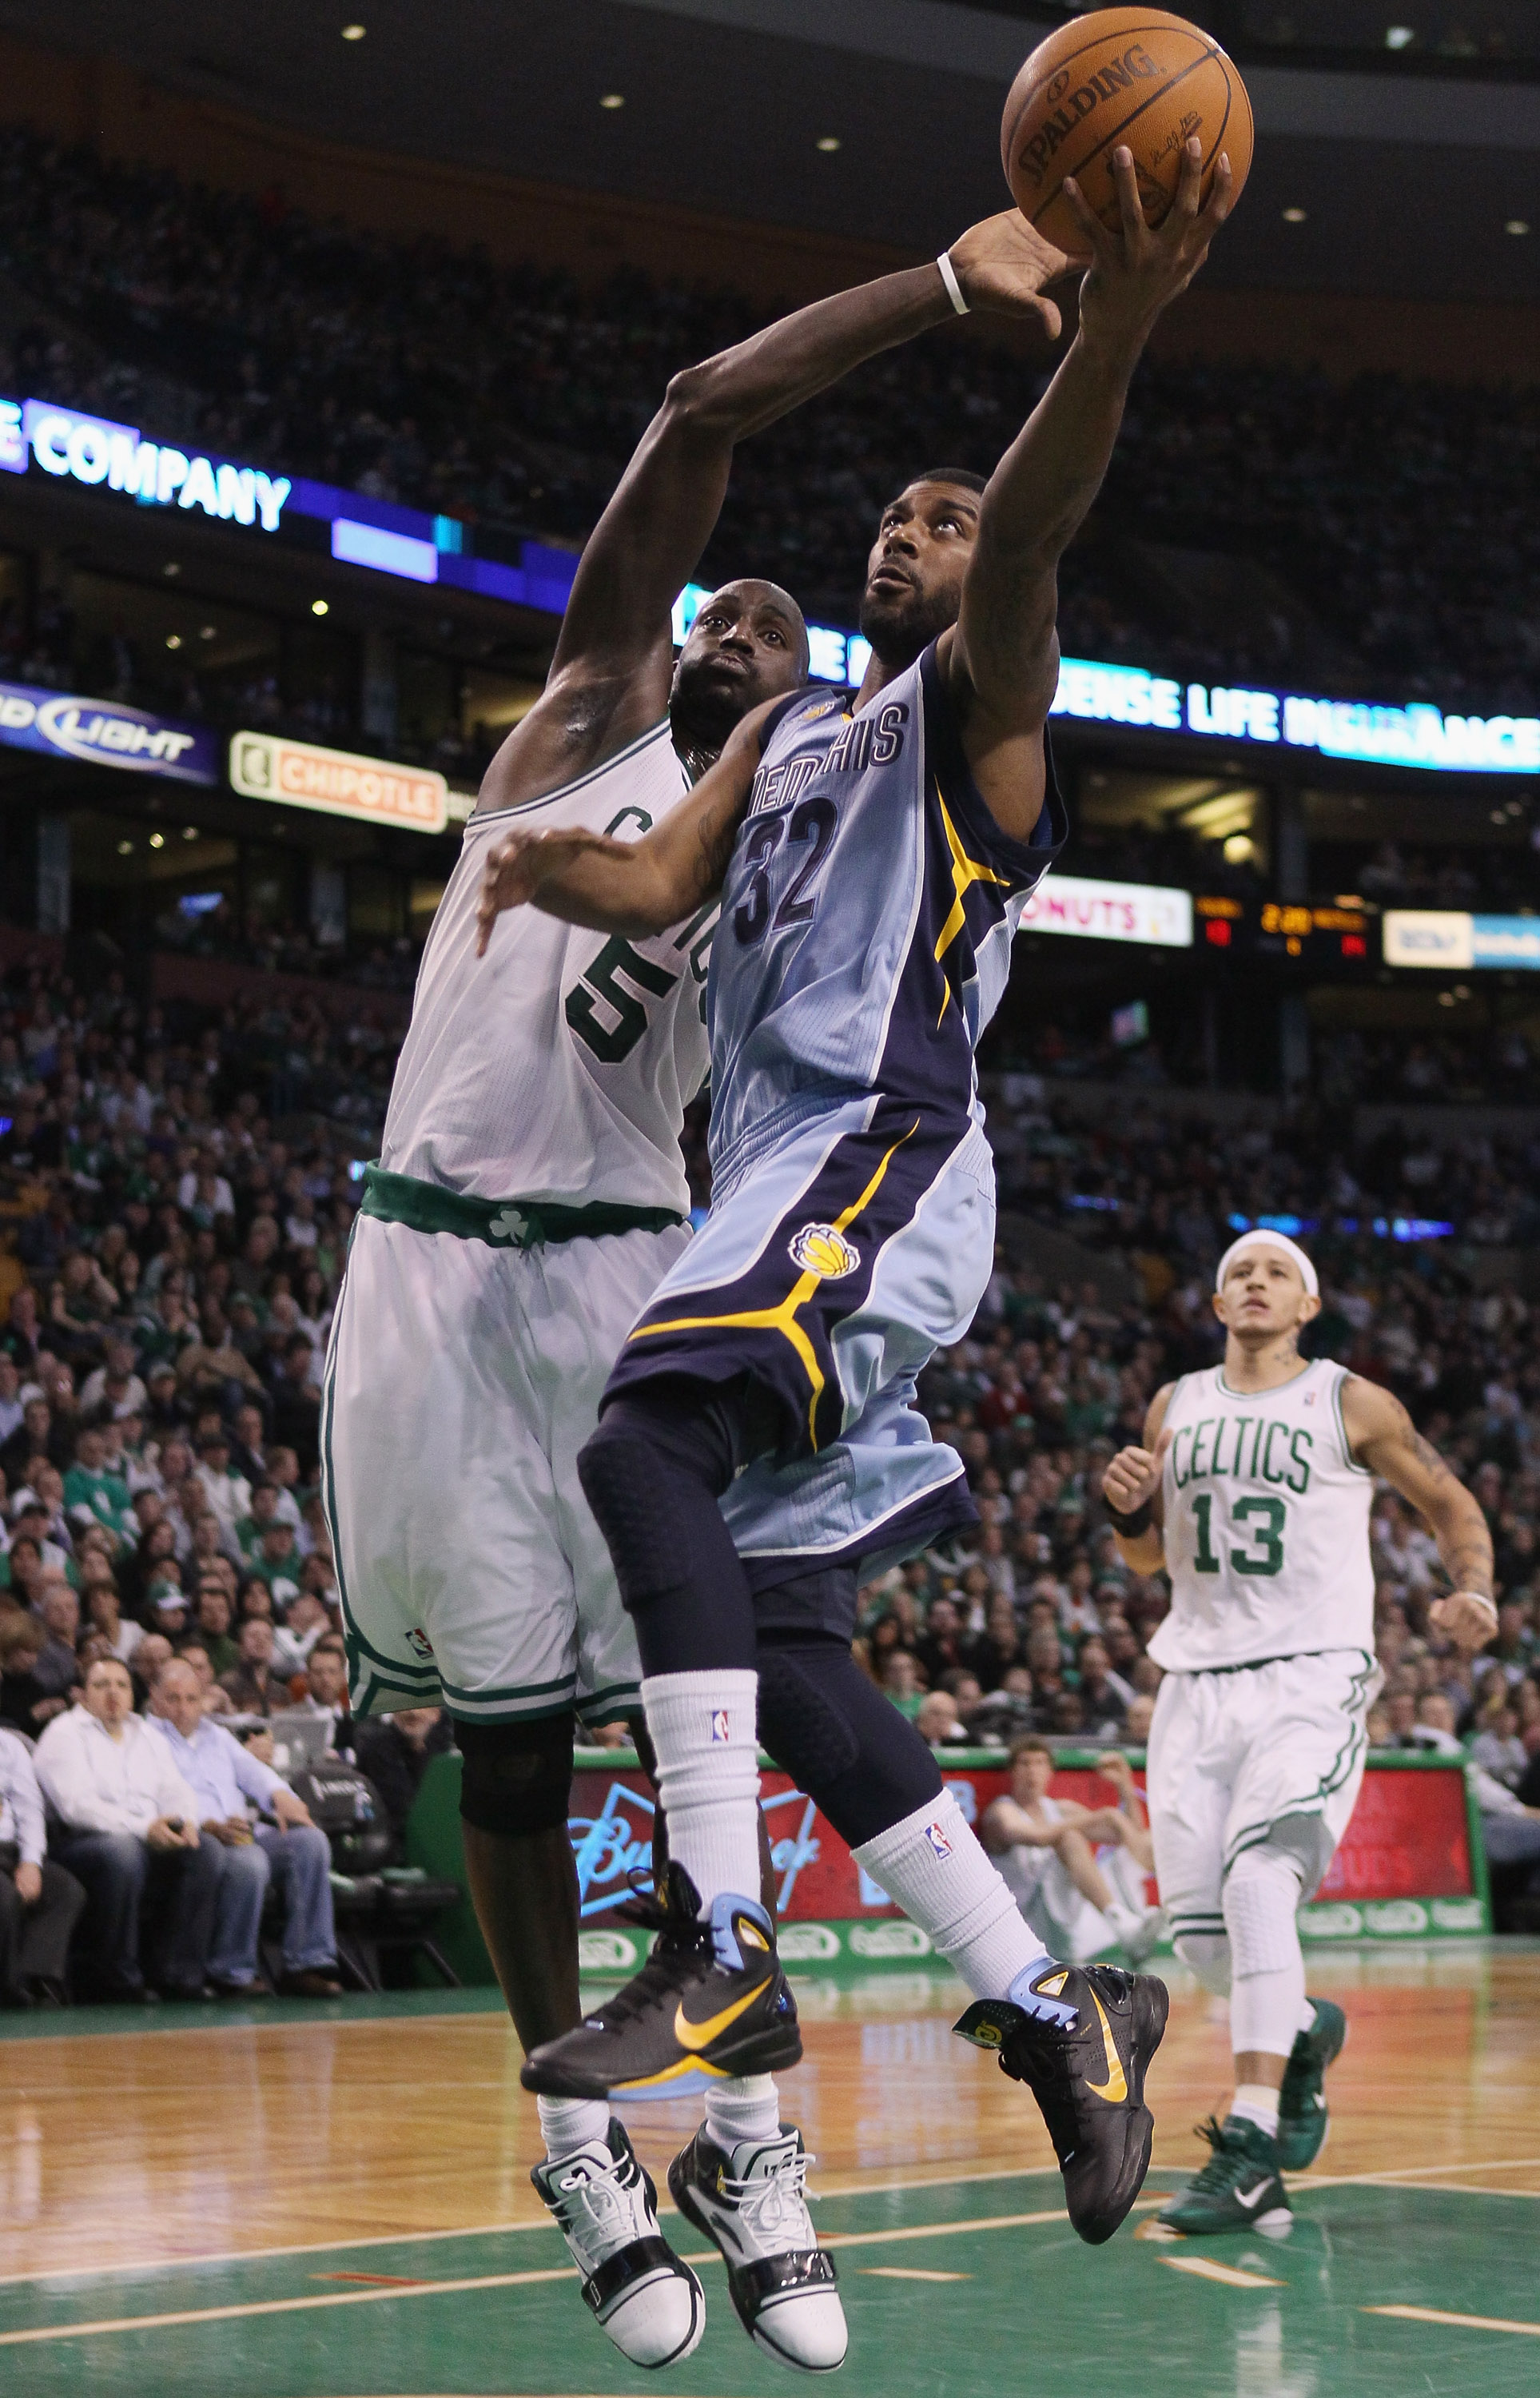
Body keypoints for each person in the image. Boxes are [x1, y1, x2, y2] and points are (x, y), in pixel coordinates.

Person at [325, 208, 1088, 2375]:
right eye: (723, 604)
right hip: (428, 1263)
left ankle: (751, 2135)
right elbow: (700, 421)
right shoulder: (587, 721)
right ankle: (582, 2148)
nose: (754, 615)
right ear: (671, 644)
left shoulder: (808, 823)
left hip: (627, 1274)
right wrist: (945, 294)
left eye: (783, 618)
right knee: (499, 1756)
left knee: (725, 1665)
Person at [482, 141, 1231, 2273]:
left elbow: (1038, 536)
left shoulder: (971, 715)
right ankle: (1052, 2008)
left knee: (639, 1437)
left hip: (872, 1158)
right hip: (770, 1187)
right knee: (786, 1646)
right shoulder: (793, 727)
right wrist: (546, 866)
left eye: (949, 514)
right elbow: (649, 883)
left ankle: (712, 1942)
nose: (915, 530)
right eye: (895, 513)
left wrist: (1113, 334)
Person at [1100, 1229, 1498, 2237]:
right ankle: (1304, 2034)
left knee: (1255, 1883)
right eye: (1237, 1270)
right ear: (1218, 1299)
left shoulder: (1347, 1399)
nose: (1255, 1282)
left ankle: (1250, 2146)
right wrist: (1126, 1518)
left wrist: (1473, 1590)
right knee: (1197, 1940)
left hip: (1311, 1672)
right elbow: (1149, 1563)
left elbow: (1448, 1499)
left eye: (1276, 1272)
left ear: (1306, 1306)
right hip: (1193, 1684)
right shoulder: (1172, 1402)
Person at [147, 1659, 343, 1998]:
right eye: (173, 1699)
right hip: (194, 1838)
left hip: (241, 1835)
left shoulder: (216, 1735)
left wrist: (280, 1795)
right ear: (154, 1697)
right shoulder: (146, 1738)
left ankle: (307, 1963)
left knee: (311, 1842)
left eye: (191, 1699)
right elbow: (151, 1797)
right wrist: (208, 1825)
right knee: (250, 1861)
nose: (183, 1709)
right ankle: (231, 1971)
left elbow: (254, 1771)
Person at [34, 1656, 222, 2002]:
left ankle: (178, 1974)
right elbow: (77, 1807)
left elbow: (176, 1788)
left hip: (147, 1836)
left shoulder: (147, 1734)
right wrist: (145, 1829)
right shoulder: (64, 1734)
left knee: (205, 1851)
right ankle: (116, 1977)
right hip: (81, 1842)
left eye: (121, 1685)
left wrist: (184, 1823)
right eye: (102, 1685)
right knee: (123, 1853)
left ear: (133, 1694)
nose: (113, 1693)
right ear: (83, 1694)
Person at [981, 1737, 1160, 1963]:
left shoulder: (1061, 1809)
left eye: (1039, 1763)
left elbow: (1132, 1837)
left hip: (1065, 1921)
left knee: (1136, 1846)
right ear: (1012, 1771)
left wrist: (1124, 1785)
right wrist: (1101, 1816)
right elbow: (1036, 1837)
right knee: (1070, 1839)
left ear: (1050, 1771)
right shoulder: (1002, 1811)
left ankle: (1131, 1924)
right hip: (1024, 1924)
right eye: (1025, 1764)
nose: (1032, 1771)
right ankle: (1121, 1922)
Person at [0, 1721, 85, 2006]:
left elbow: (29, 1808)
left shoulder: (9, 1745)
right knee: (5, 1896)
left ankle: (37, 1980)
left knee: (65, 1890)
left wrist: (31, 1862)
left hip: (11, 1849)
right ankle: (7, 1989)